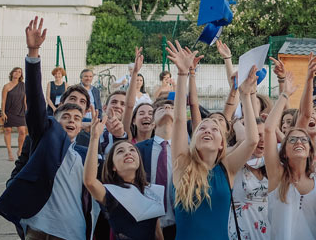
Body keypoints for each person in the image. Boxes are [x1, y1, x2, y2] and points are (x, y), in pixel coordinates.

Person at [0, 17, 98, 240]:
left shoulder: (87, 150)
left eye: (78, 113)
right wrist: (33, 53)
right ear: (56, 113)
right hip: (39, 229)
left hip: (74, 231)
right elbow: (34, 99)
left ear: (83, 121)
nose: (72, 117)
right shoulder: (44, 135)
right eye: (66, 113)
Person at [166, 40, 258, 240]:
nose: (207, 130)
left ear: (222, 143)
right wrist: (182, 75)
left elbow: (251, 140)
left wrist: (245, 95)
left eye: (215, 128)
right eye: (202, 128)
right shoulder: (182, 164)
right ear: (194, 138)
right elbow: (181, 119)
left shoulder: (227, 169)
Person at [84, 112, 165, 240]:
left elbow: (158, 234)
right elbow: (89, 181)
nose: (128, 153)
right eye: (120, 151)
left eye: (132, 150)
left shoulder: (152, 191)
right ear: (113, 166)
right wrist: (94, 138)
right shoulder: (110, 193)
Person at [264, 120, 316, 240]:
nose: (299, 142)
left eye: (304, 140)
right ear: (284, 153)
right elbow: (268, 129)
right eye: (292, 140)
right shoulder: (277, 176)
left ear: (310, 151)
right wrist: (284, 99)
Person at [136, 96, 178, 239]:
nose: (166, 109)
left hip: (179, 225)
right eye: (161, 108)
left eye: (172, 108)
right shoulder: (138, 150)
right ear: (153, 121)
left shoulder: (186, 151)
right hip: (146, 224)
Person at [2, 66, 27, 161]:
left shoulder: (23, 85)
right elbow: (3, 101)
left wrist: (27, 111)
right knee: (7, 130)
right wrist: (3, 112)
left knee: (22, 131)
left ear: (21, 75)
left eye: (19, 72)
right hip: (9, 111)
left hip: (20, 112)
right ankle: (9, 151)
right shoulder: (6, 86)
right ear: (12, 73)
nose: (17, 73)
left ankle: (20, 150)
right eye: (15, 71)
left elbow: (25, 100)